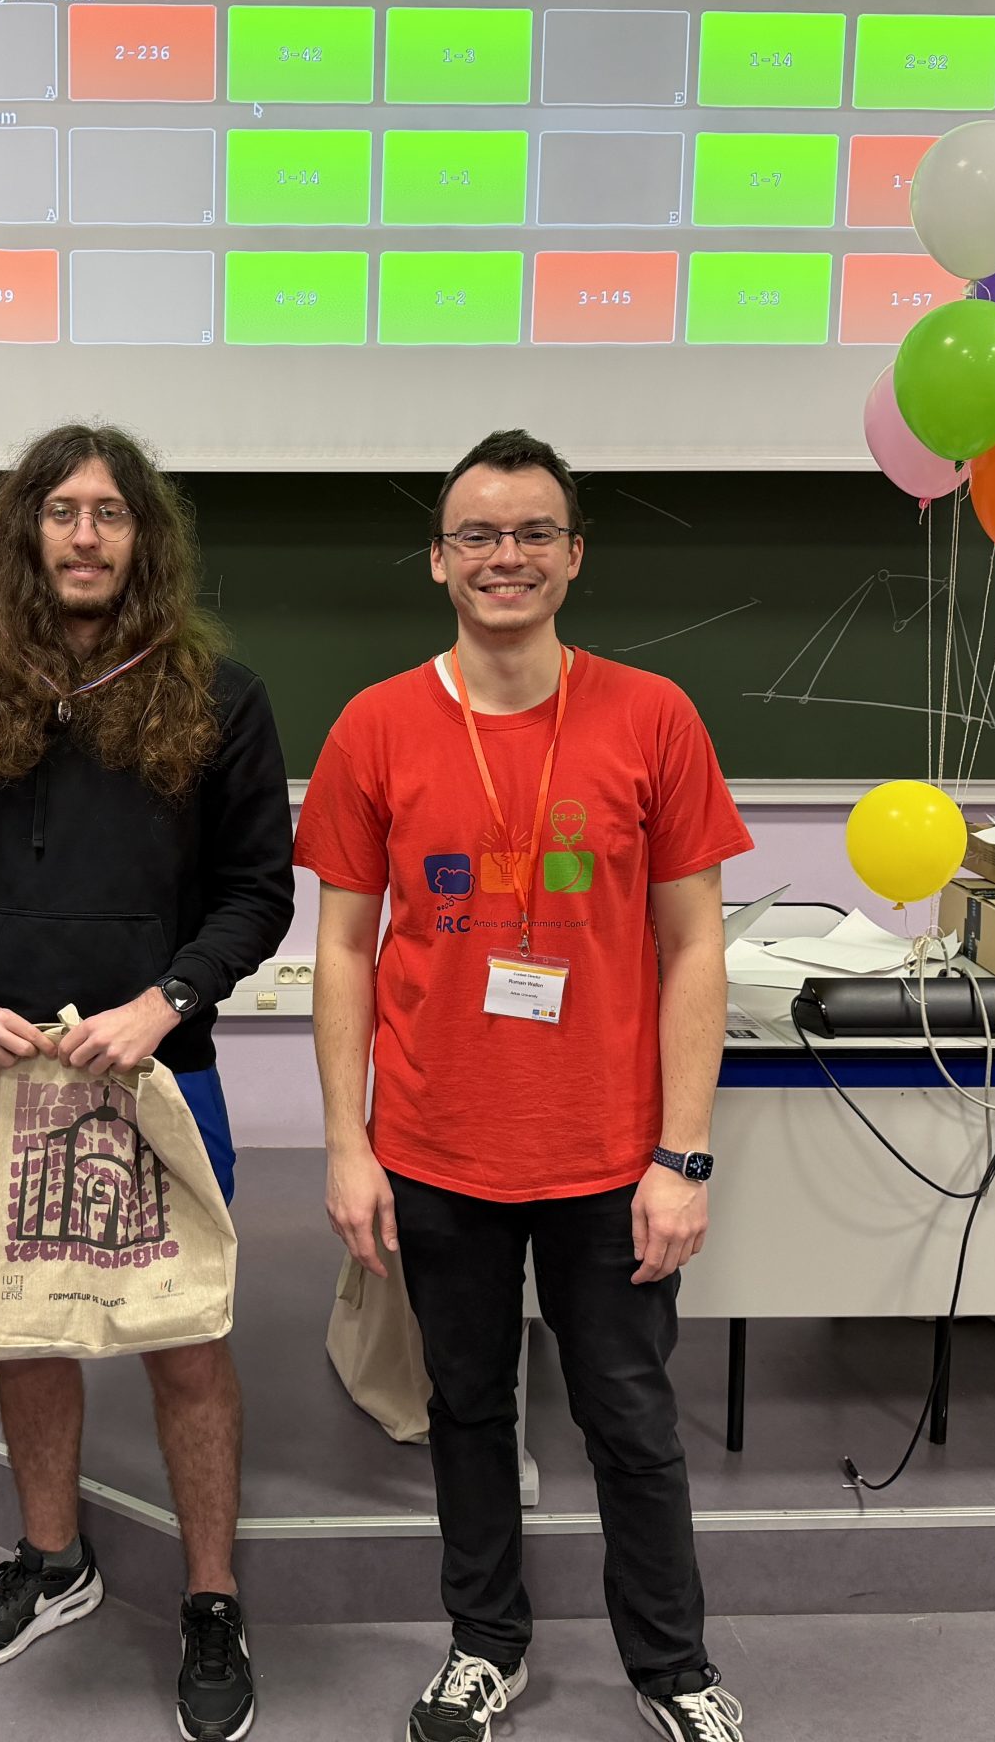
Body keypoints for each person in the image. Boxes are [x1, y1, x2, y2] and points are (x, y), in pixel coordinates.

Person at [297, 431, 755, 1742]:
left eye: (534, 532)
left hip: (611, 1155)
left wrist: (684, 1155)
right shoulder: (376, 725)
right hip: (437, 1145)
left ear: (574, 557)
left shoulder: (652, 717)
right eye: (479, 536)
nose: (507, 556)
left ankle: (670, 1664)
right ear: (440, 562)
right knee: (467, 1410)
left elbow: (694, 947)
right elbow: (341, 949)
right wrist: (347, 1144)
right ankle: (485, 1644)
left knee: (631, 1420)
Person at [0, 423, 293, 1742]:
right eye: (60, 510)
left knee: (187, 1340)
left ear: (143, 538)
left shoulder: (219, 700)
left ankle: (212, 1597)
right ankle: (53, 1561)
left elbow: (256, 894)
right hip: (12, 1085)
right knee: (29, 1329)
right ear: (26, 535)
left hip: (163, 1073)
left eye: (110, 512)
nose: (84, 533)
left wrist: (165, 999)